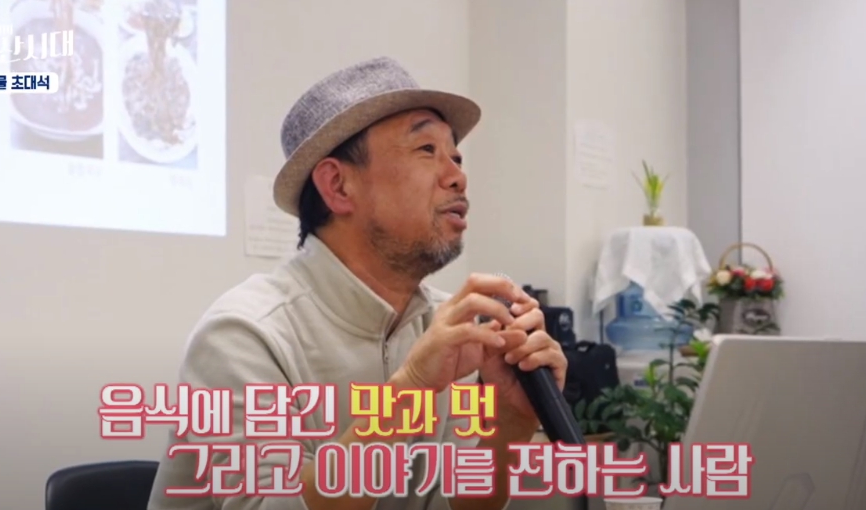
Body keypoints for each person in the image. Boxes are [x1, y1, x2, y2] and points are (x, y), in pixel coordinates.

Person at [148, 56, 568, 510]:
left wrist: (510, 421)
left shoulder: (444, 327)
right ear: (337, 186)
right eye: (426, 149)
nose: (457, 176)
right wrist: (411, 388)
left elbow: (450, 503)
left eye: (456, 156)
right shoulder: (243, 335)